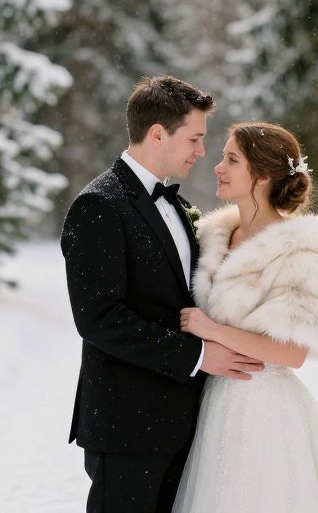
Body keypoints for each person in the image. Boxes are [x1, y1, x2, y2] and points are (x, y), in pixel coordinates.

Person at [60, 76, 264, 513]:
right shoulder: (98, 205)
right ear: (157, 134)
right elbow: (99, 318)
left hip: (186, 422)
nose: (201, 151)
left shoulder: (174, 204)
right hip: (127, 424)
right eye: (194, 138)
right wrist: (196, 355)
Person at [172, 121, 318, 513]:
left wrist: (211, 331)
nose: (218, 166)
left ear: (264, 175)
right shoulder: (212, 236)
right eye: (223, 157)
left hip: (265, 410)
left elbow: (292, 354)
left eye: (232, 159)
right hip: (213, 404)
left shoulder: (298, 252)